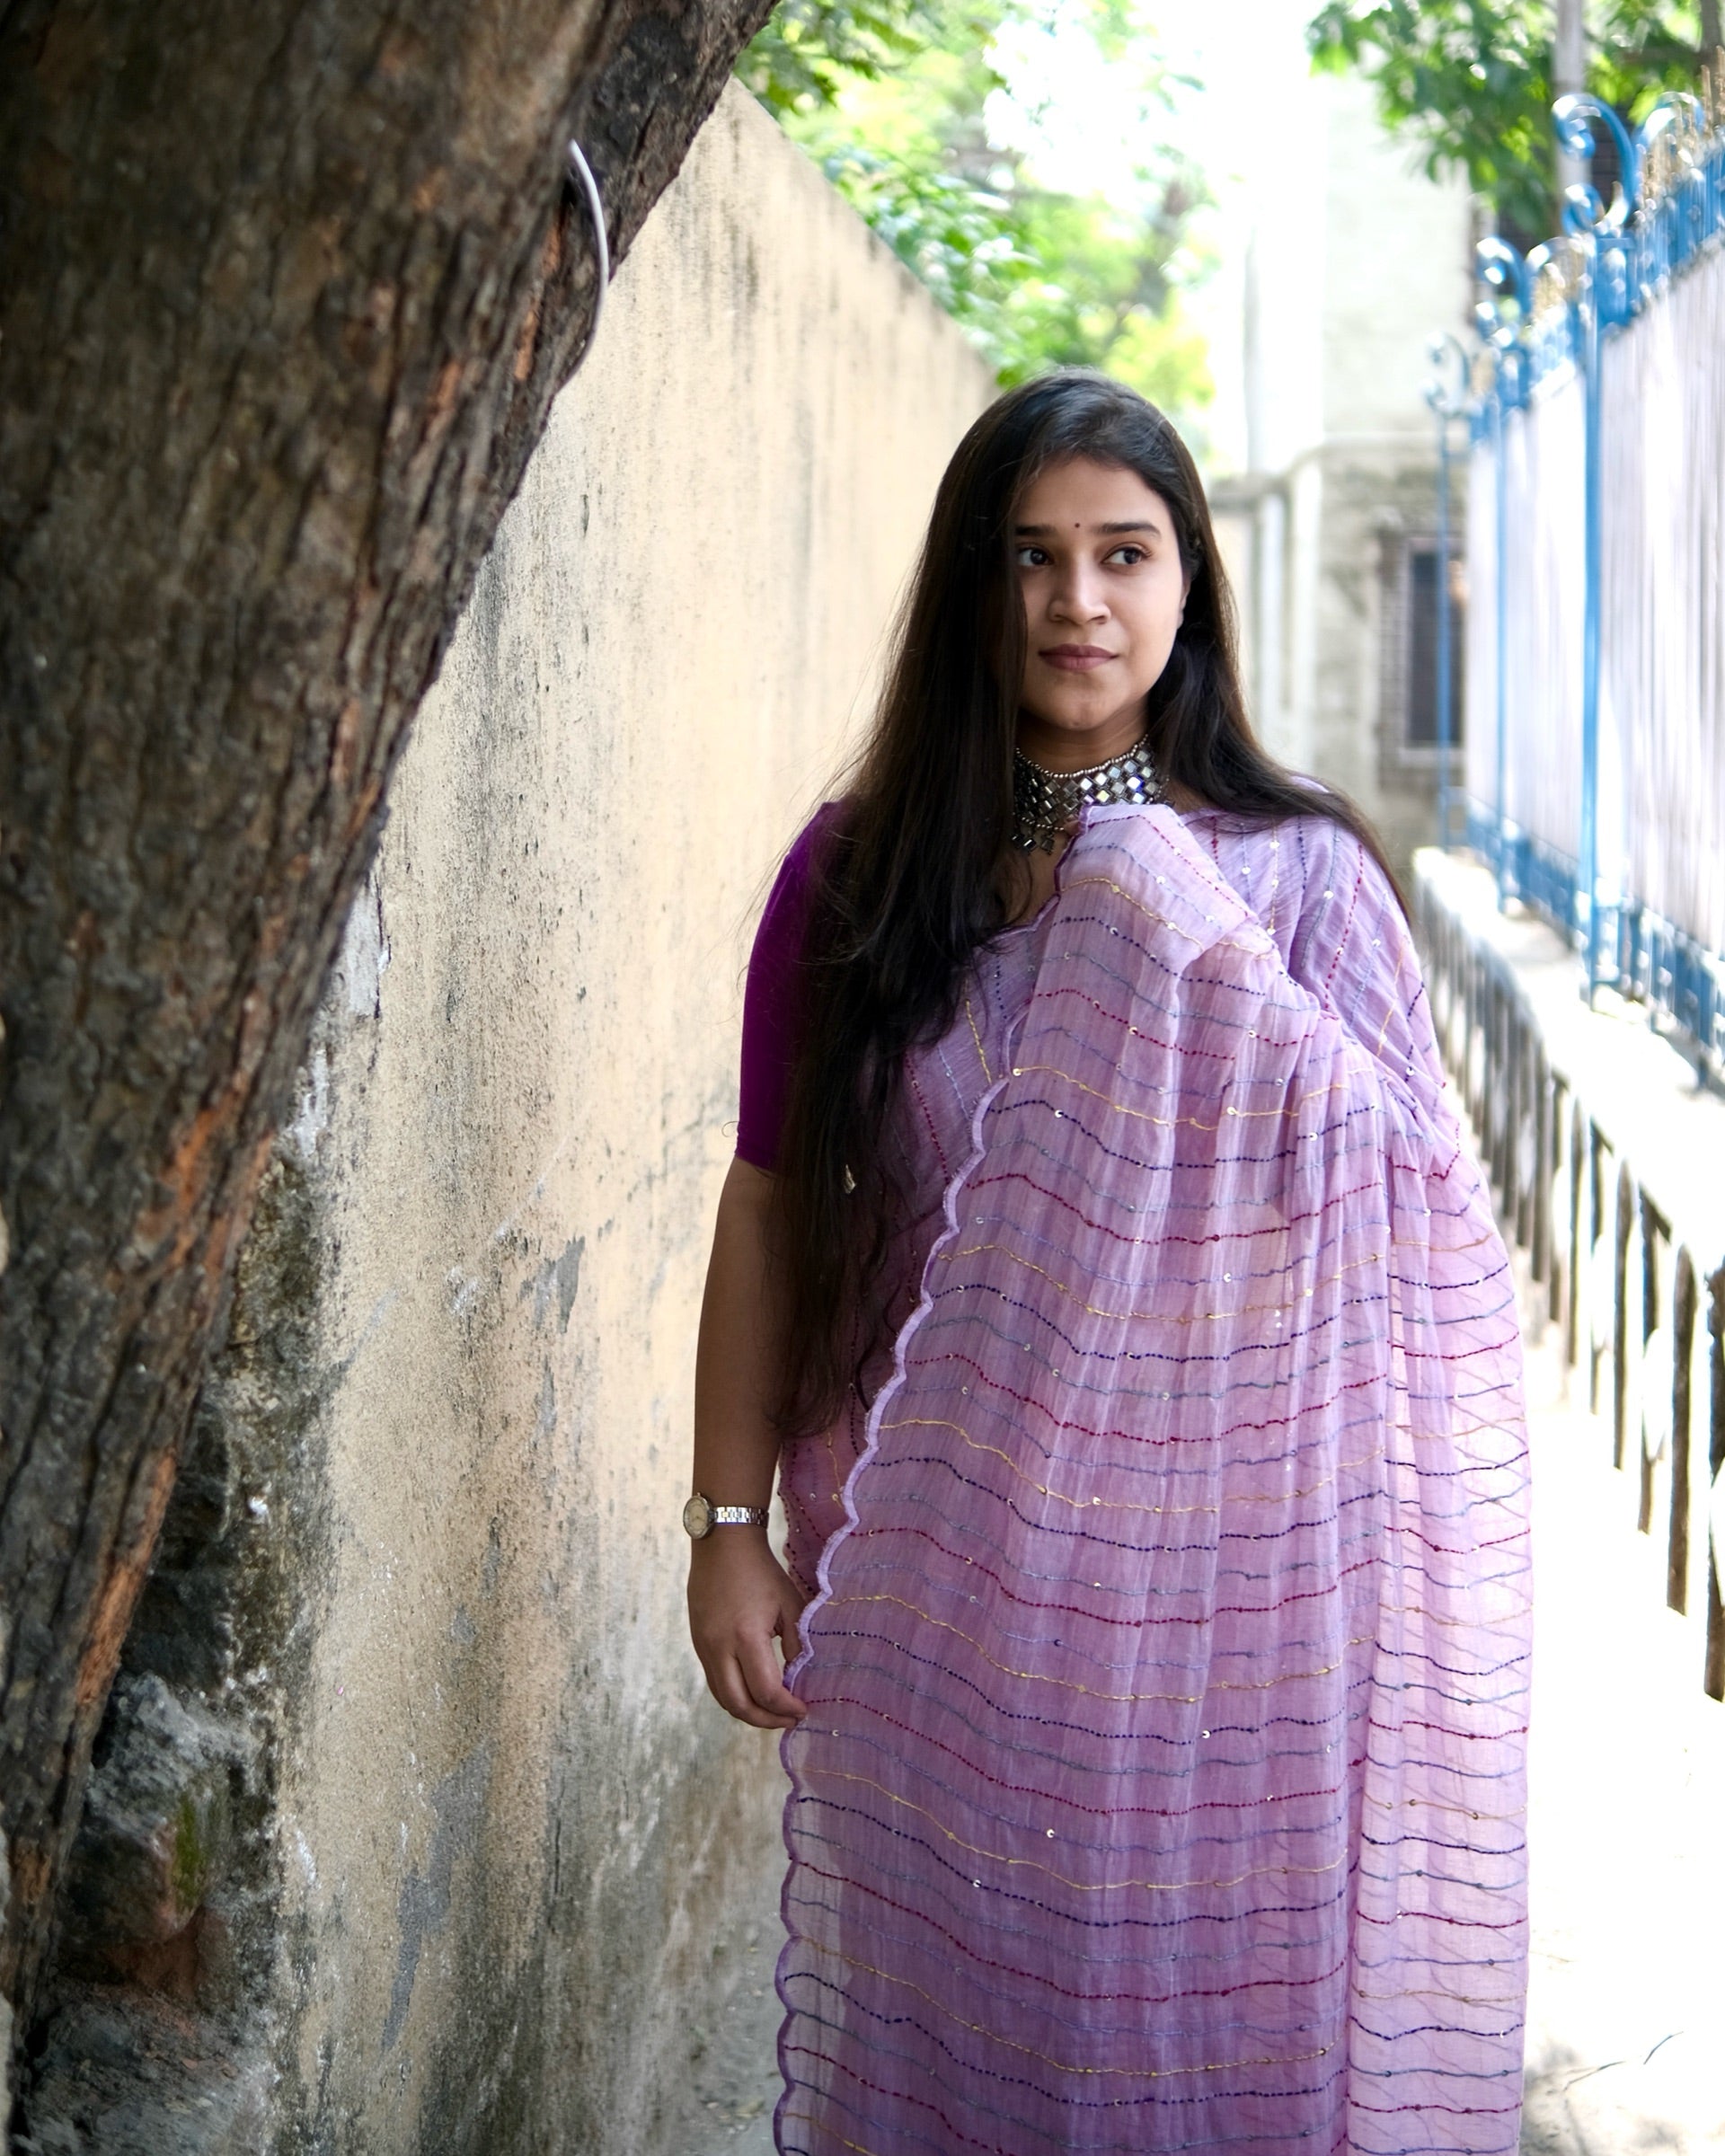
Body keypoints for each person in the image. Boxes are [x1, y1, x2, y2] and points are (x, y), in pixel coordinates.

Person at [686, 372, 1529, 2156]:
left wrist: (1165, 904)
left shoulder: (1294, 880)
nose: (1080, 603)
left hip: (1226, 1621)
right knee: (969, 2054)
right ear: (971, 591)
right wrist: (727, 1527)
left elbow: (1415, 1204)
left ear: (1190, 585)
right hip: (929, 1590)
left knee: (1201, 2068)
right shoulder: (856, 877)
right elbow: (771, 1196)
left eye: (1125, 555)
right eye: (1034, 559)